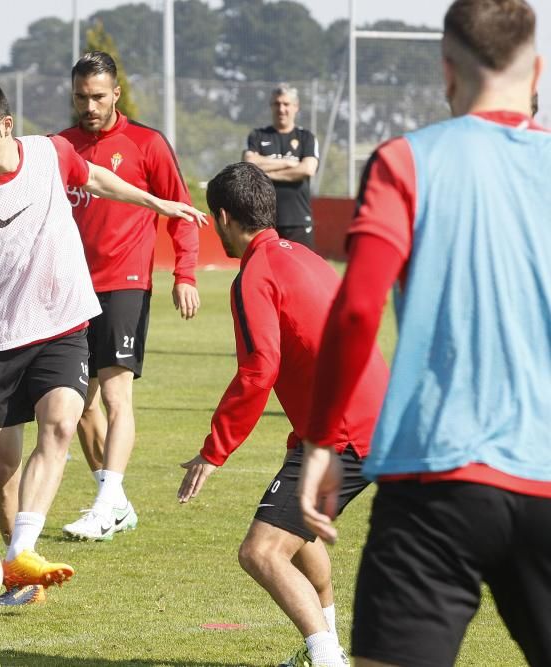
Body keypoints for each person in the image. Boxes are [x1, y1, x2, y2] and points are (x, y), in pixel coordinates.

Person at [298, 1, 551, 665]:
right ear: (538, 71)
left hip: (433, 478)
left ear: (446, 71)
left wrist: (323, 437)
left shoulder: (405, 159)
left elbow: (356, 310)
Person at [0, 81, 206, 596]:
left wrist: (156, 203)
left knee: (58, 426)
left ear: (6, 125)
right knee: (3, 468)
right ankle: (16, 569)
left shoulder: (50, 153)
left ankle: (20, 555)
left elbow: (96, 178)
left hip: (62, 326)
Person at [176, 162, 388, 667]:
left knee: (262, 552)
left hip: (345, 434)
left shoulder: (254, 275)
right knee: (294, 533)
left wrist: (214, 450)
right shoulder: (306, 256)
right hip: (368, 419)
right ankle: (327, 645)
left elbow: (258, 370)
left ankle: (327, 659)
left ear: (223, 217)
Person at [57, 51, 200, 541]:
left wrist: (186, 274)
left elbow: (179, 209)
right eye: (81, 97)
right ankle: (113, 500)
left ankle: (104, 503)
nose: (89, 106)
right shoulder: (61, 146)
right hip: (72, 287)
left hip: (126, 283)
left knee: (116, 395)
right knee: (75, 402)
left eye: (98, 96)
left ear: (116, 92)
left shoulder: (147, 143)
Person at [243, 84, 319, 248]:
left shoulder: (306, 137)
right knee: (262, 269)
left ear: (296, 107)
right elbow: (249, 163)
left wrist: (264, 171)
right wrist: (287, 163)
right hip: (263, 220)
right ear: (271, 106)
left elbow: (307, 169)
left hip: (298, 220)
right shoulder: (257, 135)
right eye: (277, 104)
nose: (281, 109)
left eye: (286, 104)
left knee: (300, 271)